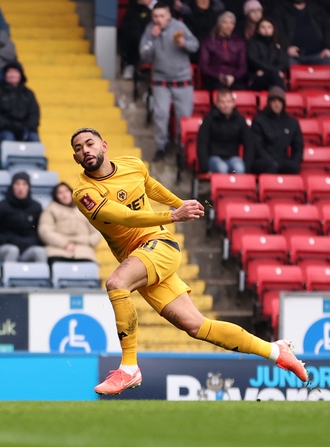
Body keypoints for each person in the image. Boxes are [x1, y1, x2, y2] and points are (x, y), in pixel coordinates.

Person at [69, 127, 308, 395]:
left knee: (116, 283)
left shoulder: (133, 164)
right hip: (140, 258)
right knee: (196, 326)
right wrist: (173, 215)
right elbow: (124, 216)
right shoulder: (84, 193)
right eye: (78, 149)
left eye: (89, 144)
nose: (85, 151)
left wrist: (181, 204)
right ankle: (276, 351)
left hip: (159, 247)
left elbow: (152, 187)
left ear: (104, 145)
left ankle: (128, 368)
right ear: (77, 159)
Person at [139, 3, 199, 162]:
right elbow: (144, 54)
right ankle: (161, 147)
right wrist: (152, 38)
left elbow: (195, 45)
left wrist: (184, 43)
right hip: (161, 80)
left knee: (184, 116)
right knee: (161, 114)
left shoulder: (179, 26)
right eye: (155, 16)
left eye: (161, 16)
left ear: (169, 16)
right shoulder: (150, 30)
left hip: (183, 80)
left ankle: (181, 147)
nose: (158, 19)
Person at [0, 171, 46, 263]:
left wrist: (30, 242)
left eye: (24, 184)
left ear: (28, 187)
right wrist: (7, 240)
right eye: (17, 184)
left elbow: (40, 231)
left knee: (40, 252)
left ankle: (40, 277)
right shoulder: (1, 206)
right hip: (4, 249)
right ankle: (9, 275)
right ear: (12, 186)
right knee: (12, 250)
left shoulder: (36, 207)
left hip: (27, 249)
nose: (21, 188)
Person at [38, 182, 102, 264]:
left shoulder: (84, 208)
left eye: (66, 191)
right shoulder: (50, 209)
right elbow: (45, 231)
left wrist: (89, 242)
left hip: (84, 250)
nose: (64, 195)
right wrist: (64, 244)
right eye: (60, 193)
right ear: (56, 196)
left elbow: (96, 231)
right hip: (57, 250)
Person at [196, 88, 252, 174]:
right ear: (217, 104)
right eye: (222, 102)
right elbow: (202, 143)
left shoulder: (240, 120)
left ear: (233, 103)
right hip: (214, 159)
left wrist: (247, 167)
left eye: (229, 102)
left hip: (233, 158)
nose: (226, 105)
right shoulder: (209, 119)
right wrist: (205, 167)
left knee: (239, 168)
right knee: (222, 168)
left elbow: (249, 143)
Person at [249, 86, 303, 174]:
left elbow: (298, 146)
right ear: (269, 103)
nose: (276, 104)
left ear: (283, 103)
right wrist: (272, 162)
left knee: (293, 167)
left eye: (279, 101)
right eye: (273, 101)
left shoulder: (292, 122)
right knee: (269, 166)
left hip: (283, 160)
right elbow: (258, 147)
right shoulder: (259, 120)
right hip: (264, 161)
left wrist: (295, 162)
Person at [0, 61, 40, 143]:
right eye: (10, 72)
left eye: (16, 72)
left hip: (25, 130)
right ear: (5, 75)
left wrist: (24, 127)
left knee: (34, 138)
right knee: (8, 137)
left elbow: (34, 114)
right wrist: (10, 126)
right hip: (3, 131)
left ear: (21, 75)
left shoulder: (28, 93)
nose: (13, 75)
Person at [273, 0, 330, 66]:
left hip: (320, 54)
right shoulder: (280, 10)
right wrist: (288, 47)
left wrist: (327, 48)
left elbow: (327, 29)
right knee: (283, 65)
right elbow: (279, 31)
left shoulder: (317, 8)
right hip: (293, 57)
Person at [199, 12, 247, 90]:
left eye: (232, 23)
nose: (229, 26)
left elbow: (243, 66)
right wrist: (218, 76)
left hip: (234, 79)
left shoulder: (240, 42)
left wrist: (233, 77)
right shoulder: (208, 42)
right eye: (225, 22)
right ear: (219, 24)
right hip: (214, 79)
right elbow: (204, 66)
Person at [246, 18, 288, 90]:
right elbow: (253, 60)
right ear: (258, 29)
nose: (266, 30)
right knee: (273, 76)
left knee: (272, 85)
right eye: (263, 27)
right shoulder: (253, 43)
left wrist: (272, 71)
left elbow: (284, 62)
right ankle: (284, 93)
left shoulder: (278, 44)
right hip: (257, 77)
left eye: (269, 27)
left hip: (273, 78)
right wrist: (275, 71)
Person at [118, 0, 154, 80]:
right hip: (140, 41)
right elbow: (131, 27)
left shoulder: (165, 4)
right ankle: (130, 64)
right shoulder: (134, 6)